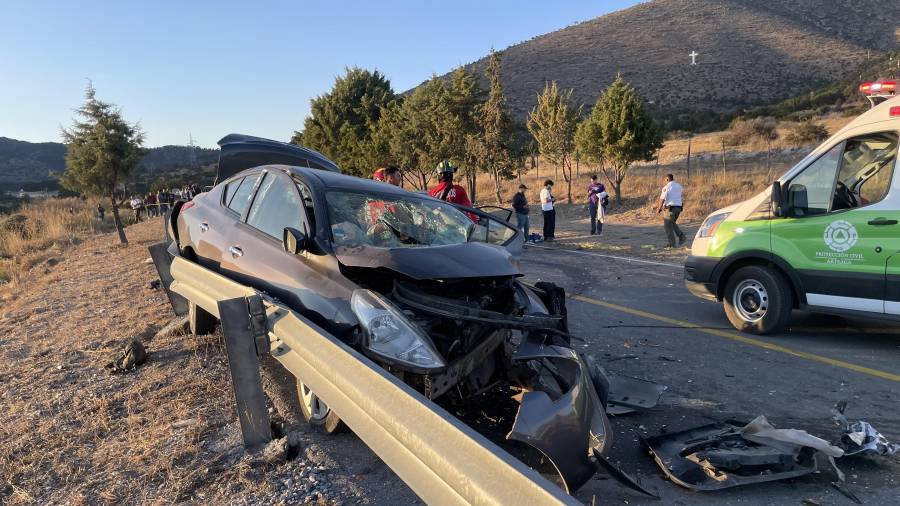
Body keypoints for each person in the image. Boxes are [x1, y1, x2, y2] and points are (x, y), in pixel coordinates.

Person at [656, 173, 686, 248]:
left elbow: (662, 198)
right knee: (672, 223)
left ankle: (672, 244)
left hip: (670, 209)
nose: (664, 182)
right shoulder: (679, 186)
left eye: (665, 180)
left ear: (667, 179)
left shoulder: (667, 187)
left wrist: (659, 208)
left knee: (667, 226)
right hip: (678, 208)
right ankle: (681, 236)